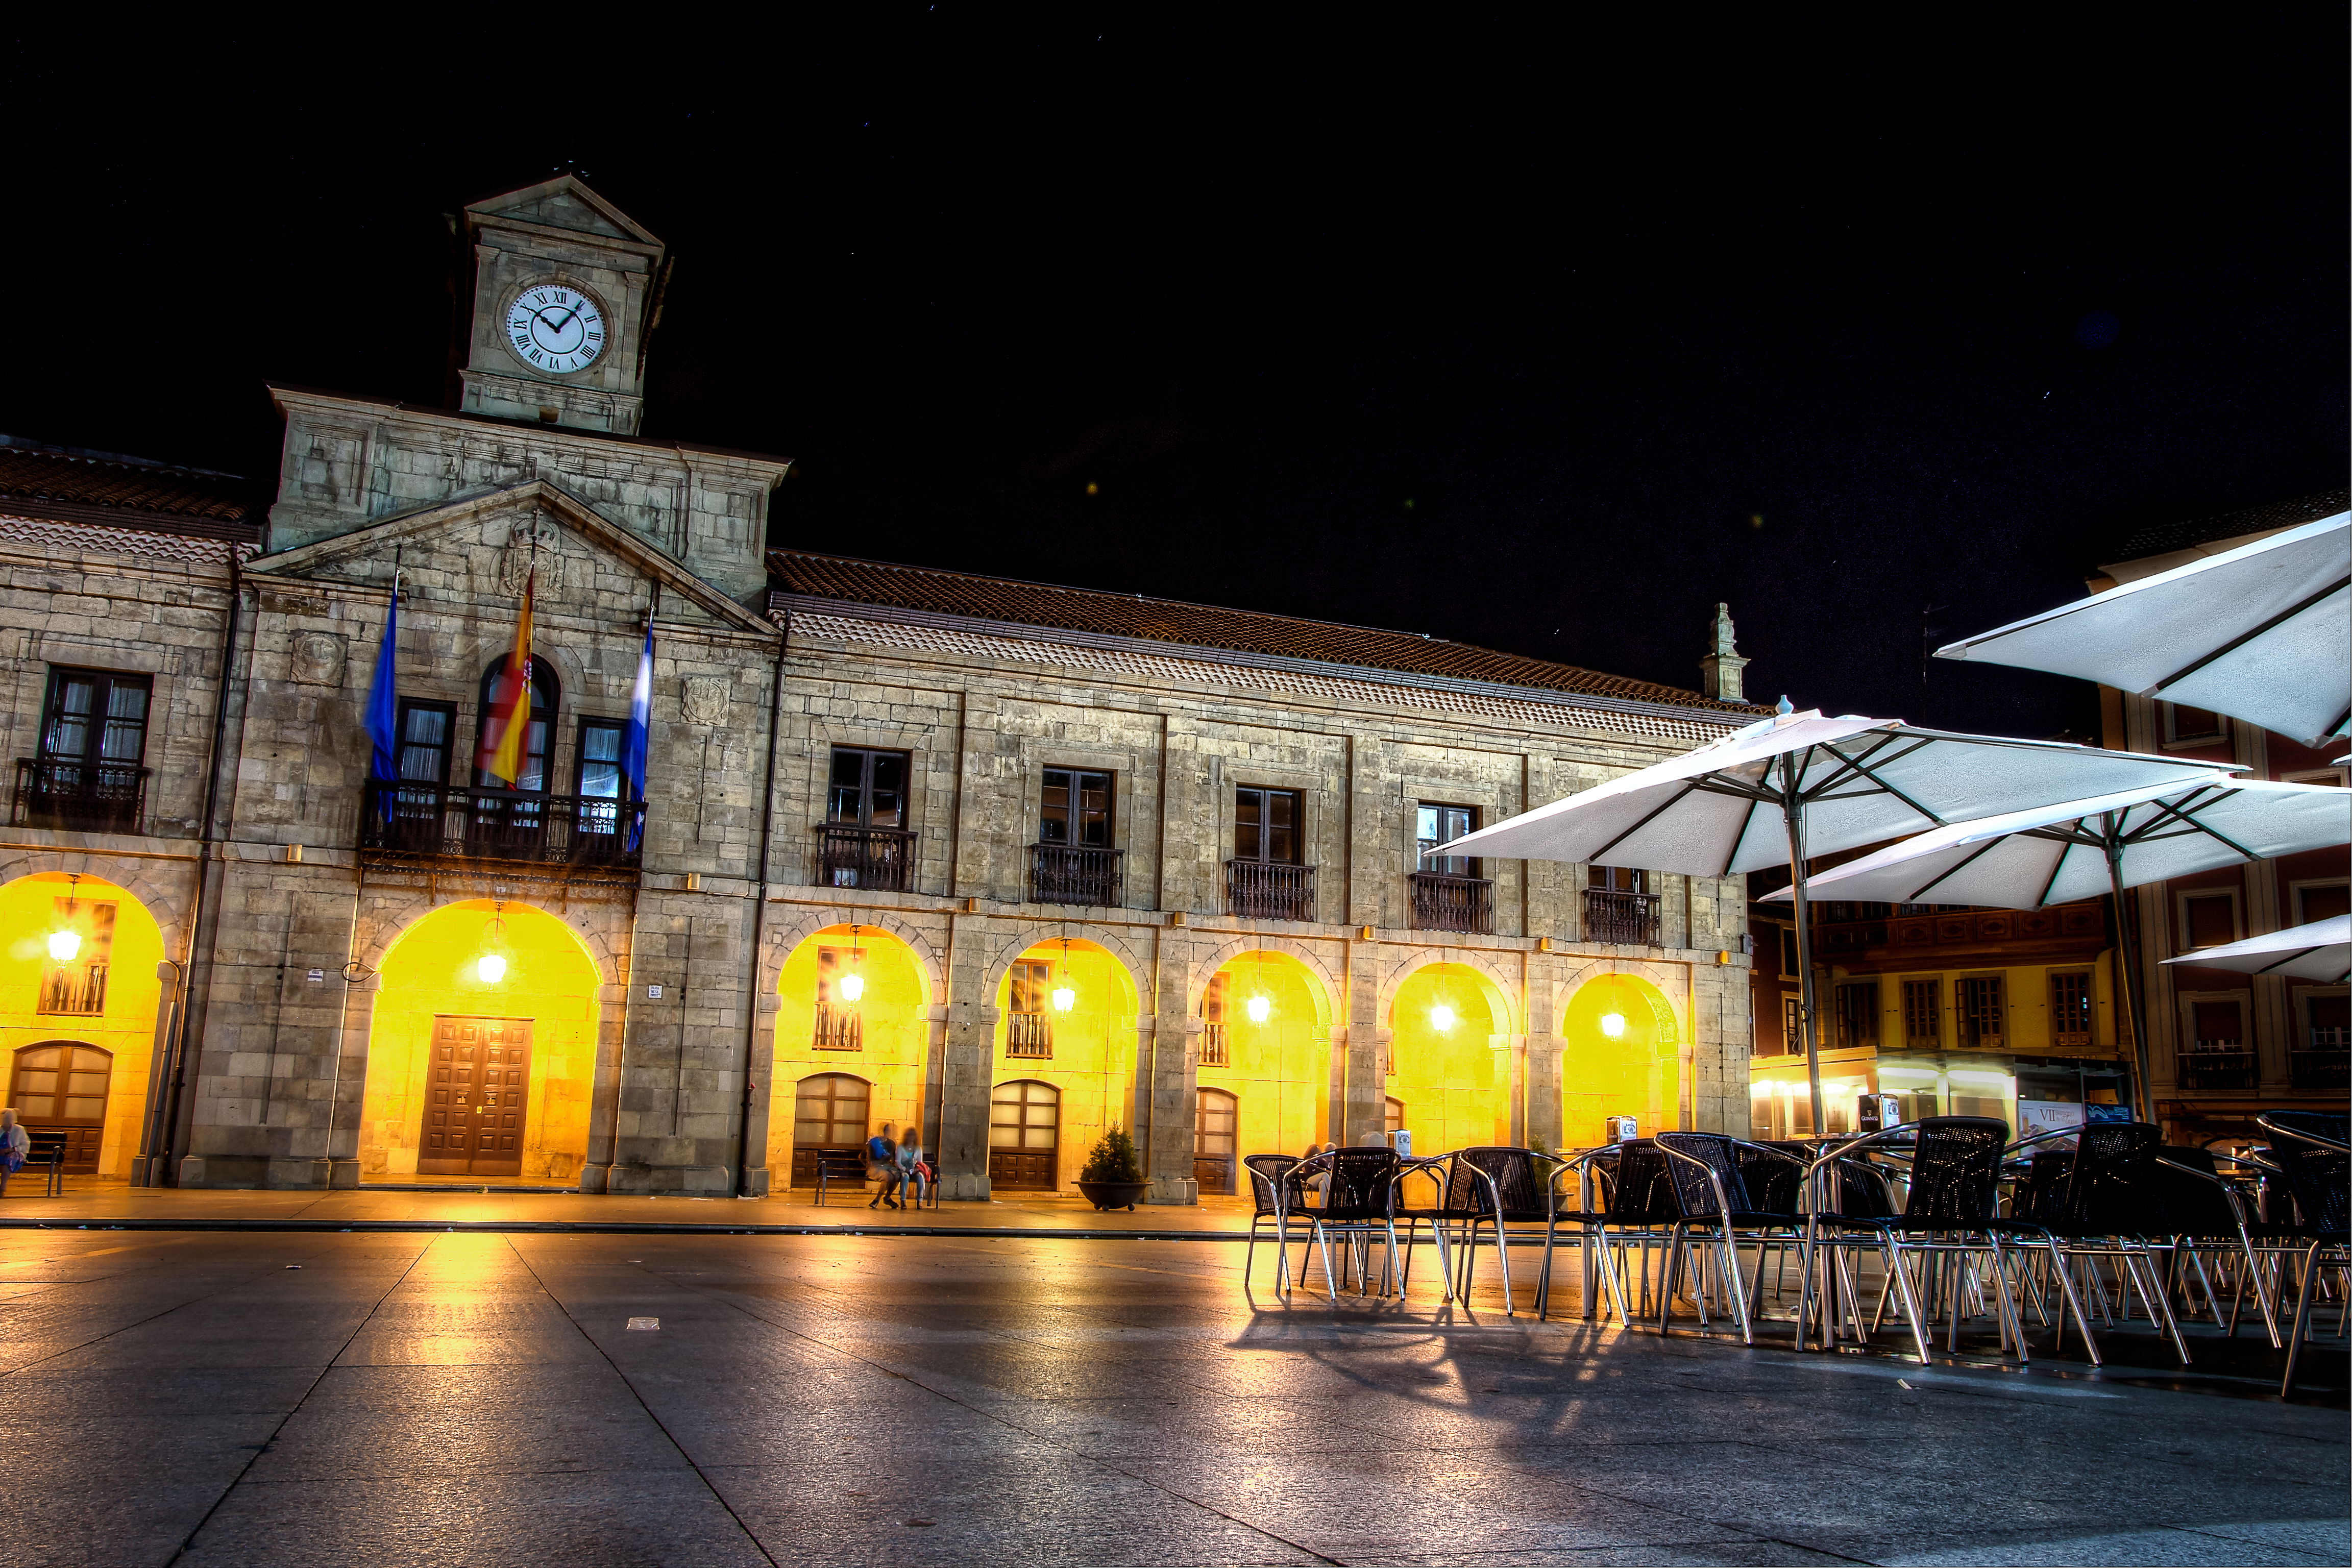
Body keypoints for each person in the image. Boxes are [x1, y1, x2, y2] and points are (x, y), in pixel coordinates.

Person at [865, 1122, 903, 1210]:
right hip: (876, 1167)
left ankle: (888, 1198)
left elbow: (894, 1159)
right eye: (888, 1130)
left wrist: (896, 1166)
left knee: (897, 1175)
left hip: (888, 1166)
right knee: (888, 1177)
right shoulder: (874, 1142)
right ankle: (877, 1199)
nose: (889, 1132)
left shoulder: (892, 1143)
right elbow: (870, 1160)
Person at [896, 1131, 929, 1209]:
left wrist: (916, 1170)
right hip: (904, 1169)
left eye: (913, 1136)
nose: (911, 1138)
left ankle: (920, 1201)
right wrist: (905, 1169)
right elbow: (898, 1162)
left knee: (920, 1177)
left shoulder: (918, 1149)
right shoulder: (901, 1148)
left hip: (914, 1170)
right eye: (909, 1136)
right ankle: (903, 1201)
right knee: (905, 1177)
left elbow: (920, 1163)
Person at [0, 1109, 27, 1197]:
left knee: (7, 1162)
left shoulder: (19, 1130)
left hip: (15, 1154)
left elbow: (25, 1145)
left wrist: (12, 1150)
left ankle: (2, 1188)